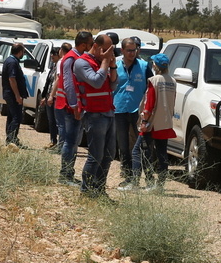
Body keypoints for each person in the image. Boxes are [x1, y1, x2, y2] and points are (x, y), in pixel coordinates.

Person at [73, 33, 117, 199]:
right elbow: (96, 82)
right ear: (98, 47)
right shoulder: (82, 63)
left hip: (108, 112)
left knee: (108, 154)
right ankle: (86, 191)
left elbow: (113, 84)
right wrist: (105, 62)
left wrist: (111, 65)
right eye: (106, 51)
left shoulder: (102, 62)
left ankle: (99, 190)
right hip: (94, 114)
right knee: (95, 155)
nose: (108, 54)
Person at [114, 37, 149, 190]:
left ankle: (141, 178)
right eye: (128, 50)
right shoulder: (114, 64)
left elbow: (151, 88)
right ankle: (128, 176)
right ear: (122, 50)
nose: (132, 53)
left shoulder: (144, 66)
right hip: (119, 109)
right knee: (123, 145)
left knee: (140, 146)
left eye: (134, 50)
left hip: (138, 111)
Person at [59, 32, 93, 184]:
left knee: (74, 142)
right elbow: (68, 83)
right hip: (70, 107)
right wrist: (74, 106)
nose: (92, 46)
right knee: (70, 141)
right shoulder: (71, 59)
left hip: (76, 106)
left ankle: (69, 174)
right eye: (91, 43)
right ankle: (65, 175)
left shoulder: (77, 57)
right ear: (84, 44)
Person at [139, 53, 177, 190]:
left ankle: (149, 182)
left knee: (145, 152)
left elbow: (149, 104)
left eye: (153, 63)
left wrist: (144, 121)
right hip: (166, 122)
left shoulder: (154, 80)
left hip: (152, 123)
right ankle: (160, 184)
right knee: (162, 153)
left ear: (156, 65)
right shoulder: (172, 81)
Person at [1, 41, 29, 147]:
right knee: (16, 117)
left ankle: (10, 139)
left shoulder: (10, 60)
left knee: (11, 116)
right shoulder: (12, 62)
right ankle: (12, 140)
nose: (23, 54)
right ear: (20, 51)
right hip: (12, 95)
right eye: (23, 52)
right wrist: (17, 95)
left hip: (10, 94)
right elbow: (12, 79)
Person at [44, 43, 70, 150]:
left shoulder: (61, 62)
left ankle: (61, 147)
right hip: (68, 95)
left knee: (61, 124)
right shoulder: (72, 60)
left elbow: (58, 79)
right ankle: (63, 145)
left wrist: (51, 95)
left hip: (59, 97)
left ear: (61, 50)